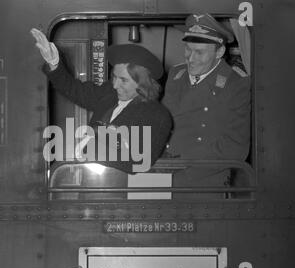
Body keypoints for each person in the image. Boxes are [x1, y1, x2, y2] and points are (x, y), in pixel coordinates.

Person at [31, 28, 172, 174]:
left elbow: (138, 161)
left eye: (123, 80)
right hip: (90, 184)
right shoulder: (109, 94)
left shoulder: (157, 116)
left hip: (121, 191)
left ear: (142, 82)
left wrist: (92, 142)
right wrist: (53, 62)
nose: (116, 85)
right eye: (115, 77)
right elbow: (74, 89)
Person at [162, 13, 251, 198]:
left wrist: (182, 169)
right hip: (161, 175)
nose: (190, 58)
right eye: (188, 49)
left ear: (219, 52)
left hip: (203, 185)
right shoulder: (176, 74)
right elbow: (164, 123)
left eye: (199, 52)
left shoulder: (236, 85)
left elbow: (234, 147)